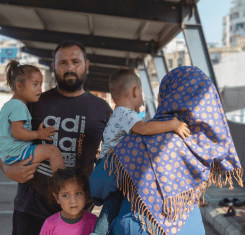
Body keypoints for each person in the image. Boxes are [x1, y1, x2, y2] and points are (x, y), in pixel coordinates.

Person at [90, 66, 243, 235]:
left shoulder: (136, 141)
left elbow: (98, 185)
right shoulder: (203, 148)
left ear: (166, 97)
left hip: (139, 228)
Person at [0, 40, 112, 235]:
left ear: (86, 65)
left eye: (75, 61)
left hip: (77, 213)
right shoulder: (33, 102)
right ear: (54, 67)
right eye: (63, 63)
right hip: (31, 206)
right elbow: (3, 141)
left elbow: (116, 154)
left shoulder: (101, 109)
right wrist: (7, 168)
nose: (69, 68)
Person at [93, 69, 190, 234]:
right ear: (135, 91)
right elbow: (143, 129)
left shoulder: (118, 113)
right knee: (112, 205)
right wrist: (173, 125)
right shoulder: (125, 113)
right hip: (112, 169)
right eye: (142, 91)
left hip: (108, 165)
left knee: (113, 205)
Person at [0, 60, 65, 173]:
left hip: (8, 153)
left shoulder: (9, 105)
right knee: (53, 151)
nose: (40, 89)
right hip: (16, 153)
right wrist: (39, 134)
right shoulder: (19, 106)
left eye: (41, 84)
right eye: (35, 84)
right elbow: (17, 132)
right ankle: (63, 183)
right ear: (19, 86)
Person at [40, 168, 97, 234]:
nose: (73, 200)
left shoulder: (93, 221)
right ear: (57, 198)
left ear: (85, 195)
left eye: (78, 193)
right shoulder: (50, 224)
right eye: (65, 195)